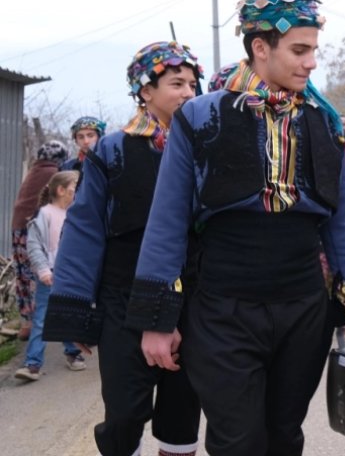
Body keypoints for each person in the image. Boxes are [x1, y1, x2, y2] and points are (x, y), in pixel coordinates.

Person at [127, 0, 345, 456]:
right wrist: (156, 321)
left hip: (303, 307)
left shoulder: (324, 122)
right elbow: (167, 221)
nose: (311, 63)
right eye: (299, 51)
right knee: (238, 439)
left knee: (284, 434)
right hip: (223, 308)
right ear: (260, 48)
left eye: (313, 51)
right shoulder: (200, 118)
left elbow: (341, 219)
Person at [43, 42, 203, 456]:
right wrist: (75, 311)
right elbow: (85, 231)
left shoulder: (208, 146)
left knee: (183, 409)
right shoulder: (112, 151)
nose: (188, 92)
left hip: (194, 294)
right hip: (123, 297)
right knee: (125, 410)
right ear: (145, 92)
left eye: (192, 83)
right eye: (176, 83)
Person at [14, 170, 85, 382]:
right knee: (42, 319)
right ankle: (33, 364)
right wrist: (43, 270)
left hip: (70, 274)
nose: (77, 193)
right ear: (61, 190)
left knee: (68, 314)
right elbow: (34, 246)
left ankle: (73, 352)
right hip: (49, 275)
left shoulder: (76, 213)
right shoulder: (43, 214)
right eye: (74, 188)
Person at [10, 140, 68, 342]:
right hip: (36, 228)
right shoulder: (53, 173)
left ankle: (27, 323)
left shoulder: (36, 170)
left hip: (18, 226)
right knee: (44, 273)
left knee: (23, 275)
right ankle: (46, 323)